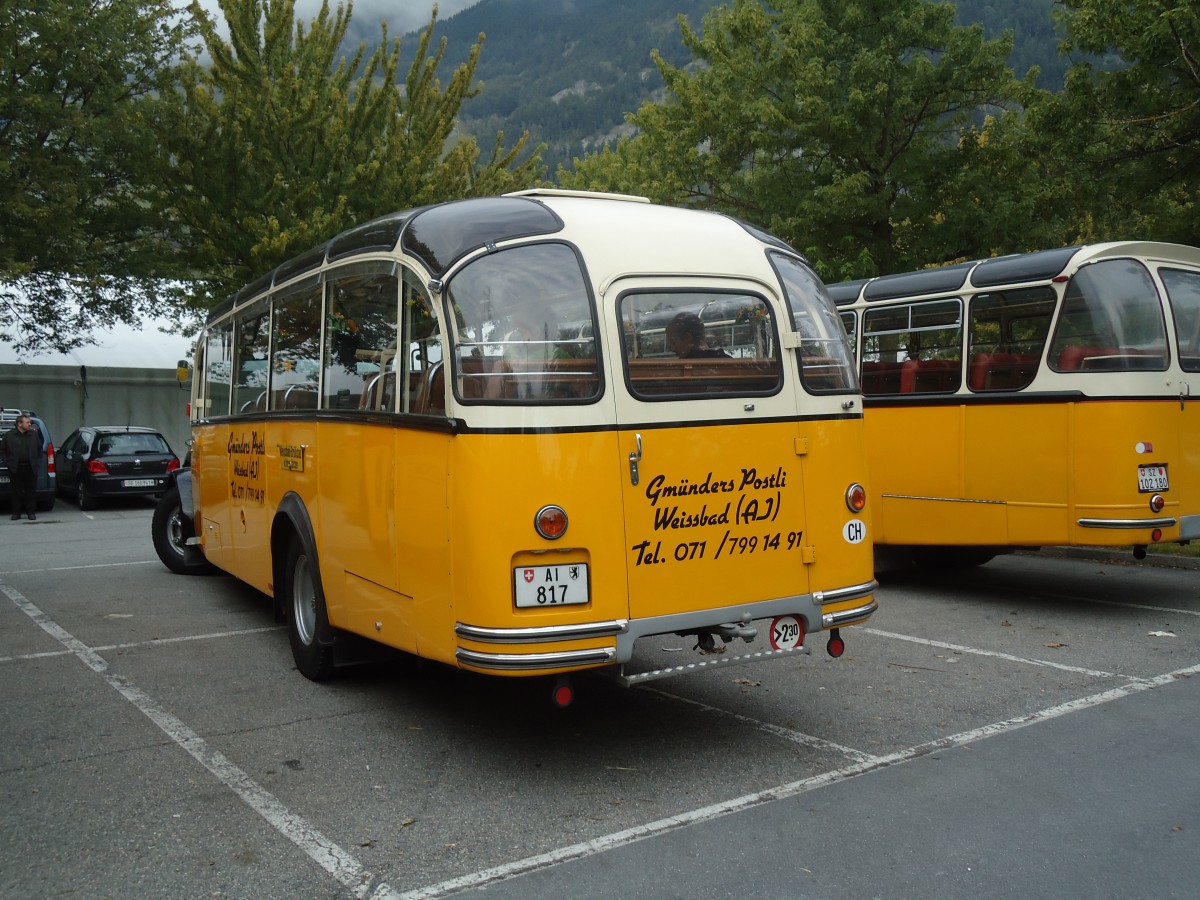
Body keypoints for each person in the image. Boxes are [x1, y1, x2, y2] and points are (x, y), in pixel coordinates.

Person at [2, 414, 40, 520]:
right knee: (16, 491)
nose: (30, 424)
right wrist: (8, 463)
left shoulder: (33, 435)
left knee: (31, 491)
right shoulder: (9, 435)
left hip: (30, 467)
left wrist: (37, 462)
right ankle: (16, 513)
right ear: (19, 424)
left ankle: (31, 512)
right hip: (15, 467)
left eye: (29, 422)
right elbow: (3, 450)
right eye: (27, 422)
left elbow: (39, 449)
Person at [666, 312, 730, 359]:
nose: (672, 349)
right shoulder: (729, 362)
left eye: (673, 343)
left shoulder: (680, 368)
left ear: (687, 337)